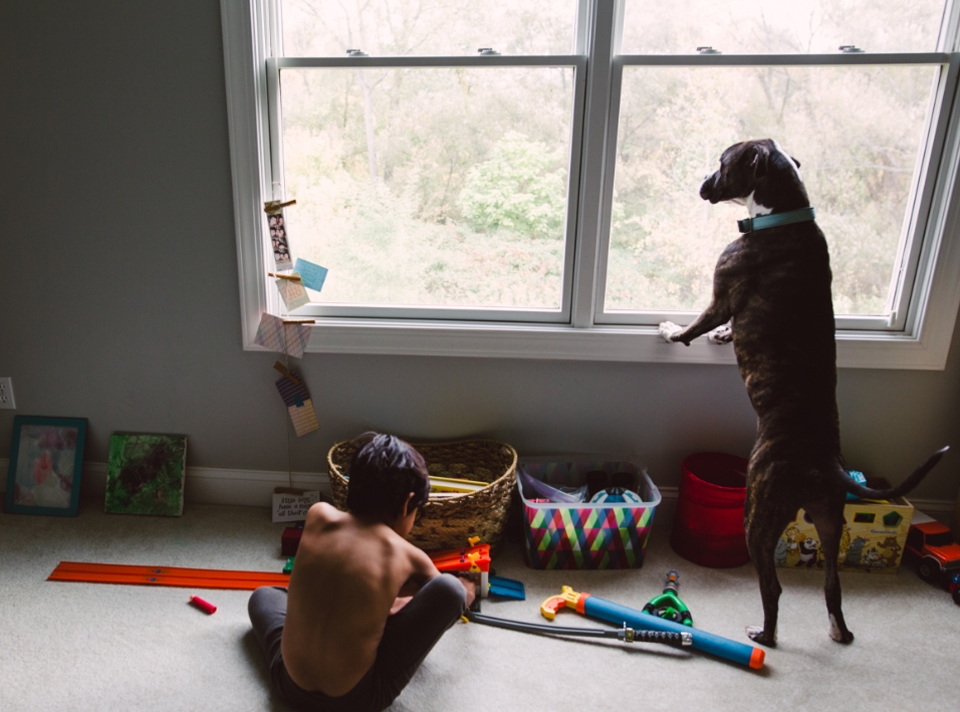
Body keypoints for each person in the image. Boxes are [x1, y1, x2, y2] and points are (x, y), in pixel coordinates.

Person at [248, 433, 475, 711]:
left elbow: (345, 570)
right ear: (407, 503)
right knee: (452, 590)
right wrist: (468, 589)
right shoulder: (406, 555)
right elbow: (437, 597)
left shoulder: (318, 514)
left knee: (263, 596)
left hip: (289, 686)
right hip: (357, 701)